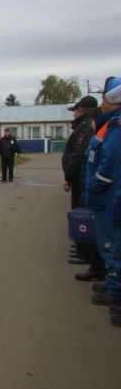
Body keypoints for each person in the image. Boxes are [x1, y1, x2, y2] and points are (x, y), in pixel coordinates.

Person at [85, 77, 121, 308]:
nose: (102, 101)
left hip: (107, 195)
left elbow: (109, 162)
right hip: (105, 195)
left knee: (111, 244)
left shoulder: (116, 126)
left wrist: (95, 185)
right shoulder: (110, 123)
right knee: (107, 243)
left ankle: (115, 288)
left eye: (104, 96)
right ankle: (111, 281)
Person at [62, 97, 104, 281]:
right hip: (82, 179)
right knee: (82, 215)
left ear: (82, 110)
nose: (74, 113)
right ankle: (84, 250)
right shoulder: (86, 126)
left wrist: (69, 176)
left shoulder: (85, 127)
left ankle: (89, 256)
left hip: (85, 181)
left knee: (84, 216)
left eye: (76, 110)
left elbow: (78, 155)